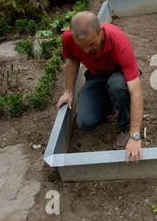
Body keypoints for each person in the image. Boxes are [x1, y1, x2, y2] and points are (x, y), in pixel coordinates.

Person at [56, 11, 143, 163]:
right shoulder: (68, 38)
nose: (86, 51)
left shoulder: (119, 43)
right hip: (96, 75)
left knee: (117, 87)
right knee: (85, 122)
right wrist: (69, 92)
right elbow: (72, 61)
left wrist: (134, 135)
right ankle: (109, 104)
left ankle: (125, 127)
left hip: (118, 75)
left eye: (91, 44)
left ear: (101, 32)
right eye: (81, 46)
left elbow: (136, 92)